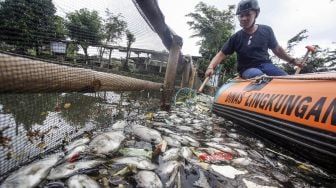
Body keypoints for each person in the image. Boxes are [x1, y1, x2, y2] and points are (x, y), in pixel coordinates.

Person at [205, 0, 303, 79]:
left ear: (256, 14)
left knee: (287, 79)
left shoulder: (266, 30)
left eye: (247, 14)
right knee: (260, 78)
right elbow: (221, 54)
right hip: (247, 69)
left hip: (266, 65)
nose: (244, 18)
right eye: (241, 15)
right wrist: (210, 67)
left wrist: (293, 61)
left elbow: (277, 50)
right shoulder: (236, 37)